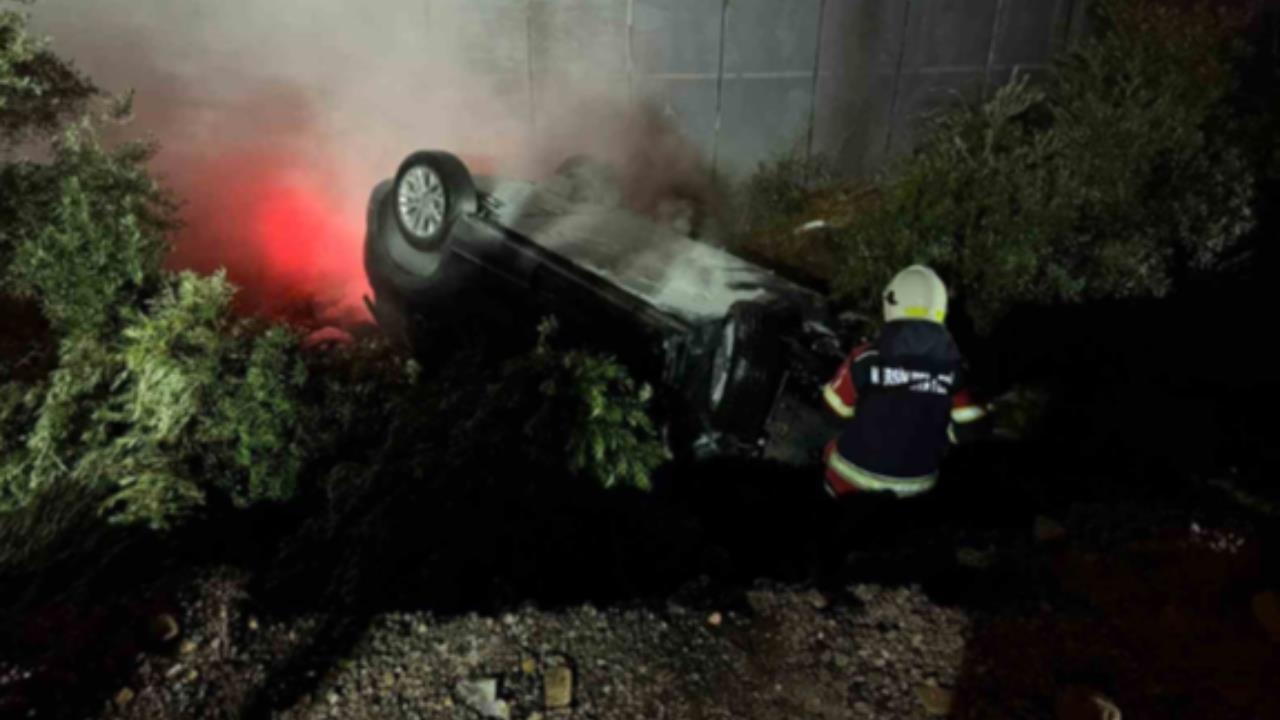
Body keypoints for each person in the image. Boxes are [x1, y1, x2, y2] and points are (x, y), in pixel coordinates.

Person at [821, 265, 990, 498]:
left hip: (848, 484)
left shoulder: (866, 359)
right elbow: (970, 430)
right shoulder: (953, 369)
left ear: (892, 305)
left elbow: (832, 413)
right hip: (916, 492)